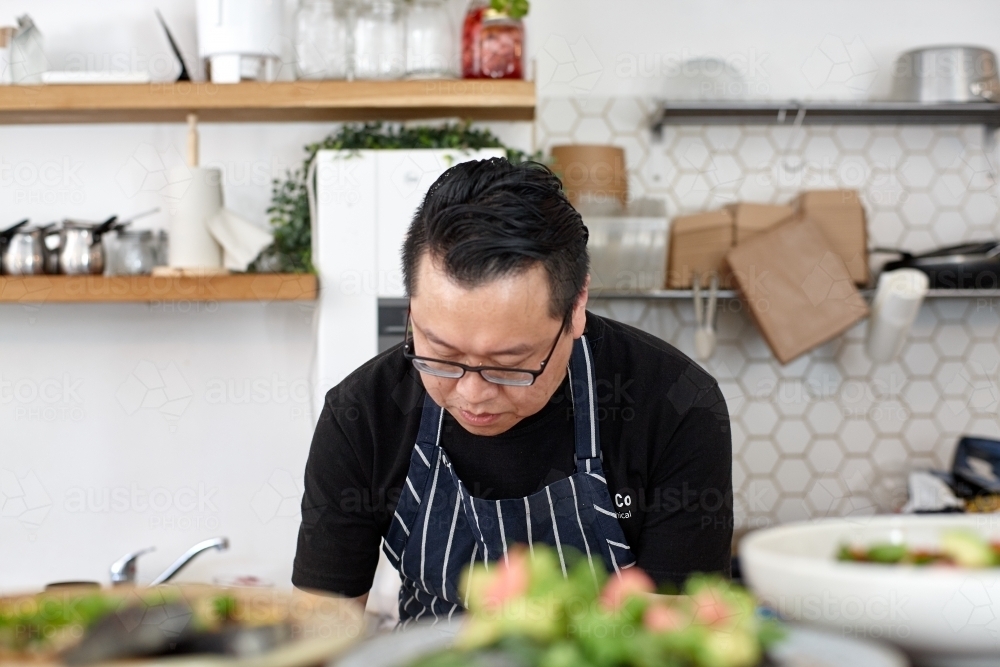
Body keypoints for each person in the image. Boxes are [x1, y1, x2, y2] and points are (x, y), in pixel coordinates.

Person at [292, 158, 733, 622]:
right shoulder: (362, 414)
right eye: (440, 354)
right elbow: (319, 634)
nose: (473, 393)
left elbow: (677, 639)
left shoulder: (675, 405)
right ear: (412, 307)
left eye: (510, 366)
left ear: (577, 305)